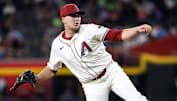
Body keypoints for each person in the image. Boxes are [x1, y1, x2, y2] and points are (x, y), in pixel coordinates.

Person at [10, 4, 152, 101]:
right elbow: (52, 68)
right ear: (63, 19)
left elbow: (117, 35)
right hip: (91, 85)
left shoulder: (90, 30)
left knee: (137, 99)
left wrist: (136, 30)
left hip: (111, 72)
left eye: (78, 15)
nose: (77, 18)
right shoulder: (58, 44)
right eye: (73, 16)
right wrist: (37, 78)